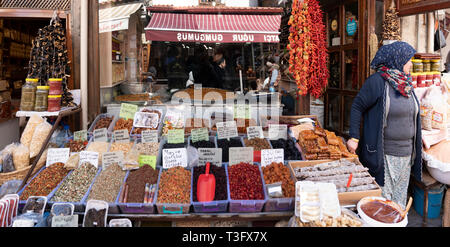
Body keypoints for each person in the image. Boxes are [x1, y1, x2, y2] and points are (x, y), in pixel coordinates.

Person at [347, 41, 422, 208]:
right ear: (398, 59)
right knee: (382, 203)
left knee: (399, 202)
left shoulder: (406, 84)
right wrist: (354, 136)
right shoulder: (378, 82)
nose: (411, 63)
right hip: (385, 155)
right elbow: (357, 106)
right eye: (408, 59)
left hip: (406, 155)